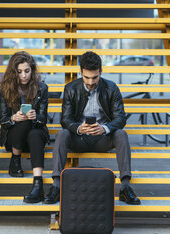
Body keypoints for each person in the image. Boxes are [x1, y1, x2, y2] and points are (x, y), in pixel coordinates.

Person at [44, 51, 140, 205]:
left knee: (121, 134)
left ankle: (125, 187)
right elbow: (65, 119)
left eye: (95, 77)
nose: (90, 82)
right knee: (62, 134)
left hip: (102, 138)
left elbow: (120, 118)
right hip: (79, 138)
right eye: (86, 77)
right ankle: (56, 187)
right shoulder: (71, 88)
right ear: (80, 72)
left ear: (101, 72)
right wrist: (78, 128)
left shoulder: (111, 88)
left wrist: (104, 128)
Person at [0, 51, 49, 203]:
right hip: (14, 137)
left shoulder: (42, 88)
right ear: (14, 73)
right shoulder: (5, 89)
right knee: (23, 120)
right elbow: (2, 119)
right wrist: (13, 118)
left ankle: (37, 183)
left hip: (34, 138)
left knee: (34, 132)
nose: (24, 75)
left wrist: (36, 117)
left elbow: (43, 119)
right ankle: (15, 159)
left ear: (32, 70)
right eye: (19, 72)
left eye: (27, 71)